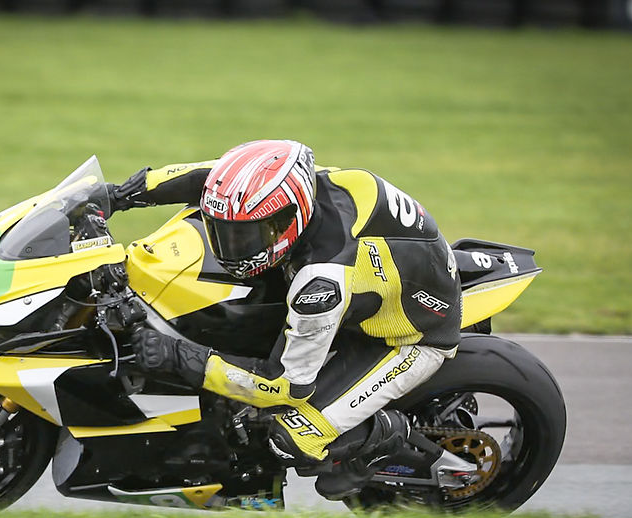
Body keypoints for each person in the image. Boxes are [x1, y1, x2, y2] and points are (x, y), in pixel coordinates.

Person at [107, 140, 461, 499]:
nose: (232, 248)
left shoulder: (320, 281)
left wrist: (179, 356)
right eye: (225, 233)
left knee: (288, 438)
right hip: (381, 280)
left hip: (407, 335)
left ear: (288, 219)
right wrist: (119, 195)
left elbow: (285, 386)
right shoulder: (292, 185)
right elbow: (211, 178)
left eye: (246, 236)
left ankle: (383, 436)